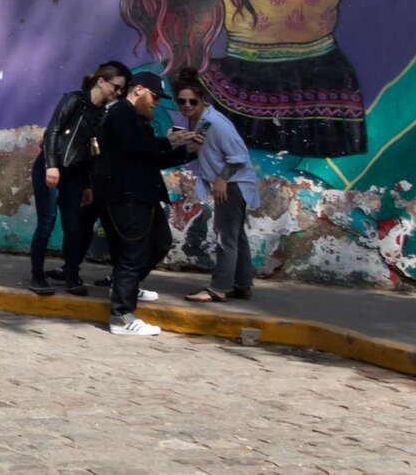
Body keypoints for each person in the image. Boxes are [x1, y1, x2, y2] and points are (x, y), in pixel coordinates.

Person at [93, 73, 201, 336]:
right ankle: (121, 316)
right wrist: (170, 141)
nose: (155, 103)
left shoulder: (135, 118)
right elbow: (137, 148)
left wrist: (185, 152)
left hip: (143, 194)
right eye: (153, 97)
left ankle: (124, 286)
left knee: (160, 242)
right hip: (127, 196)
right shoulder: (121, 113)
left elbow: (151, 158)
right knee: (132, 254)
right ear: (138, 90)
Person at [29, 62, 126, 295]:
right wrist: (51, 166)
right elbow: (52, 131)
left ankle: (72, 275)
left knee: (74, 226)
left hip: (75, 175)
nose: (118, 92)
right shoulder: (74, 100)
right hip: (51, 168)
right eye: (117, 86)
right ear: (101, 81)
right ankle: (37, 275)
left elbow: (93, 152)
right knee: (47, 221)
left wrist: (87, 184)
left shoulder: (102, 114)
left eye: (122, 90)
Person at [174, 74, 258, 303]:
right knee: (236, 236)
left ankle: (219, 288)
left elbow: (239, 156)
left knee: (225, 237)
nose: (187, 106)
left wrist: (222, 179)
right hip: (231, 183)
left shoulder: (217, 124)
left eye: (192, 101)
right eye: (182, 101)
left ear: (203, 100)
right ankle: (242, 284)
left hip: (232, 184)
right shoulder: (202, 121)